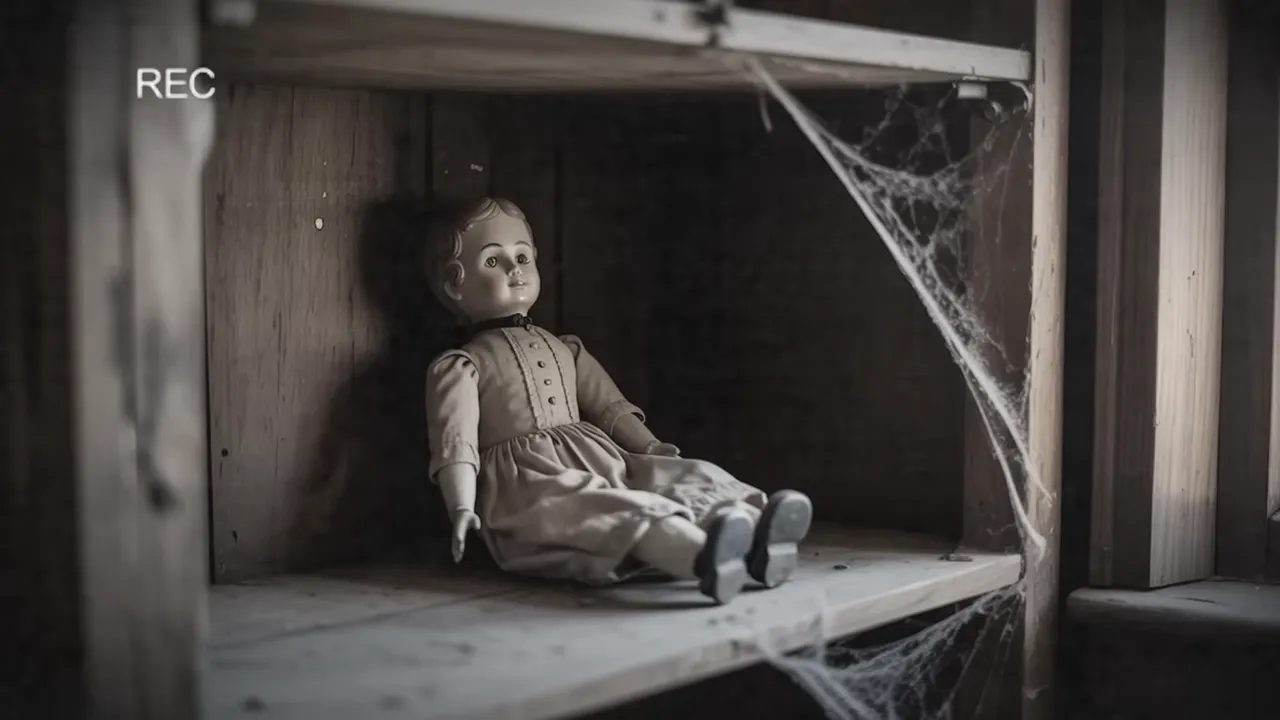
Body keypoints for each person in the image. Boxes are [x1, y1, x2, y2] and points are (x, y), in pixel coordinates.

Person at [423, 196, 812, 604]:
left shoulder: (566, 348)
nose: (514, 269)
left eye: (522, 256)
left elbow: (609, 406)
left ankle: (756, 532)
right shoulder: (461, 366)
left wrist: (648, 446)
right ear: (455, 282)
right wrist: (462, 506)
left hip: (603, 458)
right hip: (530, 484)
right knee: (605, 509)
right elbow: (456, 444)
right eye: (492, 261)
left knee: (672, 477)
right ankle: (703, 557)